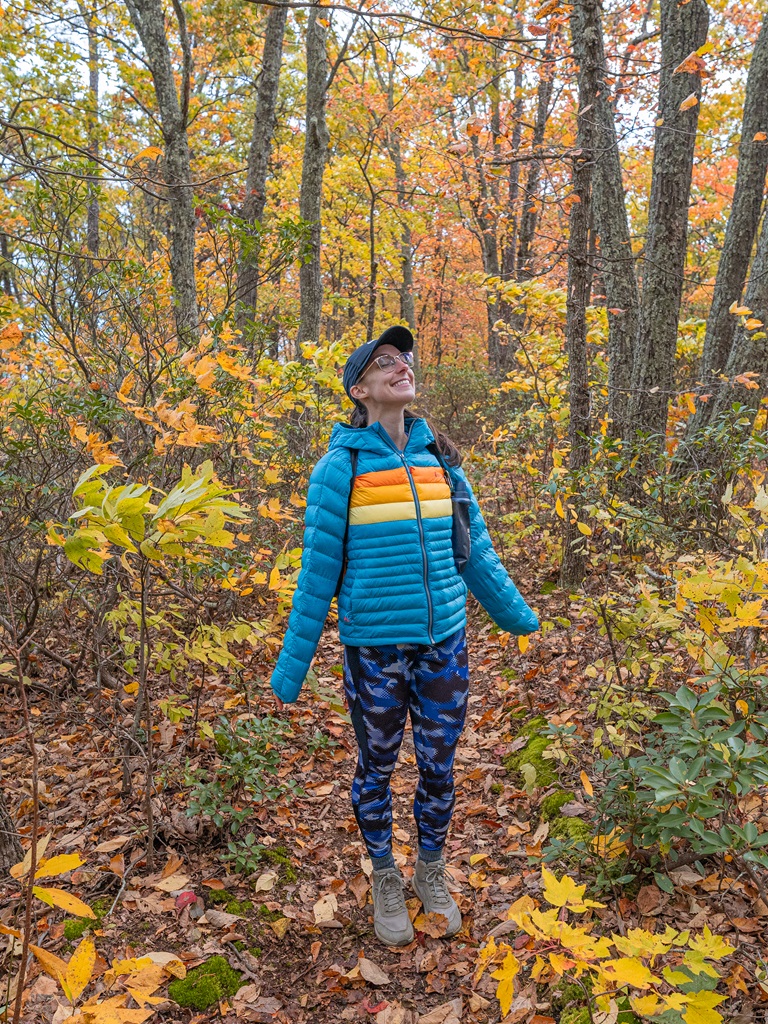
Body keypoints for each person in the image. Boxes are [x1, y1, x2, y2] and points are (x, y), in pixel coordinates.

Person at [270, 325, 538, 947]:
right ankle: (385, 873)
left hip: (445, 640)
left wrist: (518, 615)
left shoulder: (439, 460)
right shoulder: (341, 469)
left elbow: (475, 554)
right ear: (359, 388)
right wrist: (292, 667)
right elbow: (317, 575)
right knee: (378, 766)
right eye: (384, 362)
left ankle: (430, 868)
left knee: (440, 765)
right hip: (375, 649)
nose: (402, 366)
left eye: (405, 358)